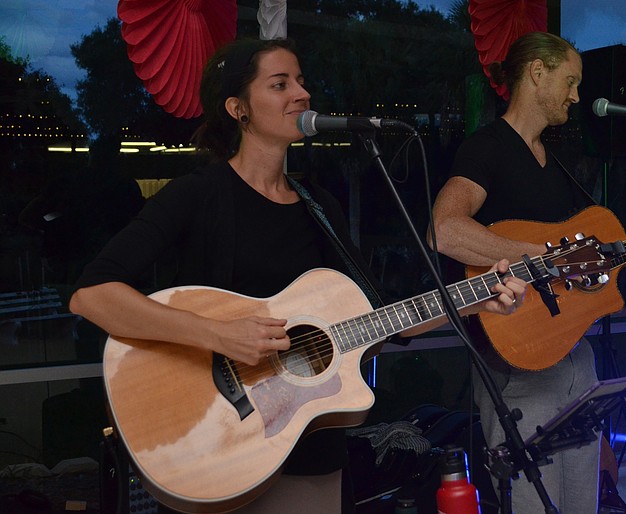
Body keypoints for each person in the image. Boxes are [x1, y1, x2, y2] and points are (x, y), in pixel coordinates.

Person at [68, 37, 526, 514]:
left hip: (310, 454)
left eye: (302, 82)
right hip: (217, 440)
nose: (302, 94)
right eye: (280, 84)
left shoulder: (318, 206)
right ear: (238, 108)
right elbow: (92, 296)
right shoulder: (199, 195)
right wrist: (220, 335)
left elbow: (382, 316)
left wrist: (474, 298)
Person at [428, 31, 626, 513]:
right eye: (570, 81)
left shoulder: (557, 165)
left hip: (575, 361)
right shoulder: (487, 147)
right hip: (519, 363)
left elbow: (600, 258)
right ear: (537, 73)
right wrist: (544, 258)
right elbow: (445, 230)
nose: (576, 95)